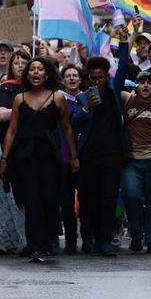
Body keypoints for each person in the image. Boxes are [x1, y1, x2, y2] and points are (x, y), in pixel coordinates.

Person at [0, 57, 79, 262]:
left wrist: (73, 156)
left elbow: (67, 128)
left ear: (47, 74)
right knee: (31, 199)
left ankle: (50, 239)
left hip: (50, 156)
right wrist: (4, 158)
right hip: (25, 156)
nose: (35, 72)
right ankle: (34, 244)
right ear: (27, 74)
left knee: (49, 198)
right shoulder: (20, 99)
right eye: (32, 69)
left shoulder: (57, 97)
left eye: (40, 69)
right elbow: (12, 130)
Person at [72, 27, 129, 257]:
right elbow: (74, 124)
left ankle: (104, 240)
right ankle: (88, 238)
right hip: (88, 156)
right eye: (93, 78)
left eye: (101, 77)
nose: (98, 81)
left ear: (107, 77)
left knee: (108, 197)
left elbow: (123, 66)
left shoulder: (114, 92)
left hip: (112, 155)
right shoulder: (83, 97)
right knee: (87, 198)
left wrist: (124, 42)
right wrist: (86, 109)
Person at [119, 71, 151, 253]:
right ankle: (136, 236)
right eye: (141, 82)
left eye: (149, 83)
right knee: (132, 197)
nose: (145, 85)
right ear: (136, 86)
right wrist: (126, 43)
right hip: (131, 161)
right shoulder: (128, 100)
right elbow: (116, 82)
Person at [59, 64, 86, 253]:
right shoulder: (58, 100)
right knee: (66, 200)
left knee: (86, 200)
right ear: (62, 80)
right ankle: (70, 239)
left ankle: (88, 238)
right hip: (65, 156)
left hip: (86, 156)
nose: (71, 78)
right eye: (67, 75)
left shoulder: (88, 99)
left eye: (75, 75)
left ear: (80, 79)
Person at [0, 49, 30, 151]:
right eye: (16, 63)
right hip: (11, 142)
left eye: (24, 63)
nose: (20, 66)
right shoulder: (5, 88)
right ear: (11, 66)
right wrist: (25, 110)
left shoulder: (36, 88)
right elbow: (0, 115)